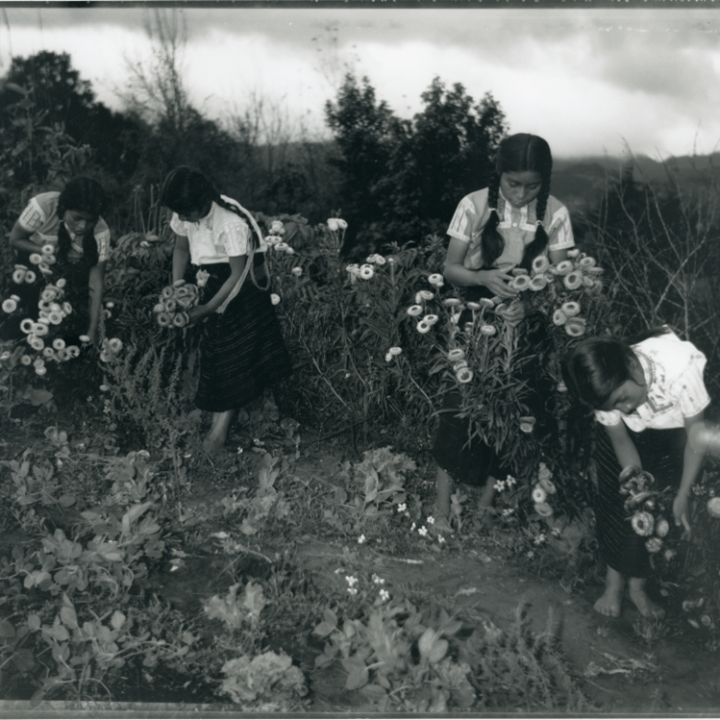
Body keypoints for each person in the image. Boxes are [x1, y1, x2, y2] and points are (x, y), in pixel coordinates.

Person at [432, 133, 575, 529]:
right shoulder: (473, 205)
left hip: (528, 323)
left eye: (533, 186)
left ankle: (485, 508)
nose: (522, 193)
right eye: (514, 184)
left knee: (514, 411)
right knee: (459, 407)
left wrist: (529, 307)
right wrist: (486, 278)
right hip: (477, 314)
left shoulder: (557, 215)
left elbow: (562, 281)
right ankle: (441, 508)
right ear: (499, 175)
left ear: (545, 181)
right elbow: (451, 268)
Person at [562, 326, 710, 618]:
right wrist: (637, 486)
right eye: (614, 405)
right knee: (622, 509)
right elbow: (620, 438)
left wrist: (682, 493)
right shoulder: (602, 388)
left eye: (622, 399)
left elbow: (696, 438)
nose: (625, 408)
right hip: (624, 442)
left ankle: (638, 589)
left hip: (673, 438)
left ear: (630, 365)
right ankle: (613, 585)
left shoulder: (680, 369)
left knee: (658, 515)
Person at [161, 167, 293, 456]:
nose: (181, 219)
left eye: (186, 213)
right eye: (178, 213)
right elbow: (181, 248)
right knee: (215, 354)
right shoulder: (186, 212)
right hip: (211, 278)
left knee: (231, 357)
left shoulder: (229, 224)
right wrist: (178, 288)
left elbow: (237, 274)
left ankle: (216, 436)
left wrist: (207, 308)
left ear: (203, 202)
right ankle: (216, 427)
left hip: (242, 287)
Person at [6, 177, 109, 344]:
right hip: (32, 263)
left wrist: (92, 329)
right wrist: (48, 252)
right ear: (64, 208)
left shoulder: (100, 231)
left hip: (65, 273)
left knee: (65, 322)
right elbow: (15, 240)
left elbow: (96, 283)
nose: (83, 226)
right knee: (22, 313)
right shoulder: (43, 207)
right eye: (77, 218)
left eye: (90, 221)